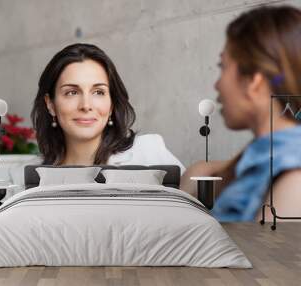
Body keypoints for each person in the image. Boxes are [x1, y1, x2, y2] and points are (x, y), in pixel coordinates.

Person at [181, 5, 301, 221]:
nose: (217, 84)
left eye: (223, 67)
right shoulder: (263, 156)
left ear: (253, 81)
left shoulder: (293, 176)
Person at [30, 43, 185, 172]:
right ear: (50, 104)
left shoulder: (149, 153)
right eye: (72, 92)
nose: (86, 105)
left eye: (98, 92)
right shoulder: (27, 176)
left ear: (112, 104)